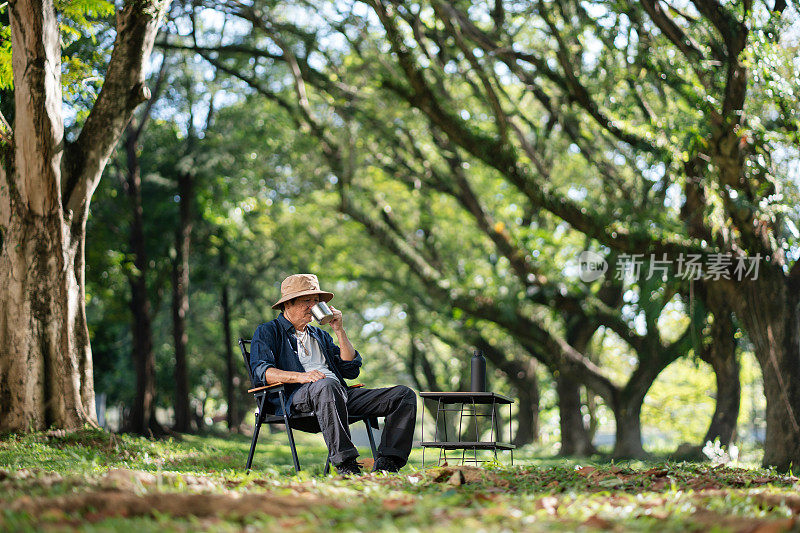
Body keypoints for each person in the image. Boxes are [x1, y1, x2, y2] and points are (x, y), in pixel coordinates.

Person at [250, 273, 417, 476]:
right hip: (297, 398)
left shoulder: (319, 335)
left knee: (403, 395)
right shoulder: (268, 331)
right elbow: (262, 371)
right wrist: (300, 377)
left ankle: (388, 463)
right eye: (307, 301)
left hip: (338, 395)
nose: (313, 306)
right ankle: (346, 464)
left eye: (316, 301)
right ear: (288, 305)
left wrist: (339, 331)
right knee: (328, 385)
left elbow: (350, 369)